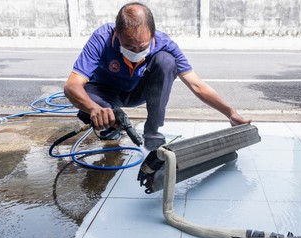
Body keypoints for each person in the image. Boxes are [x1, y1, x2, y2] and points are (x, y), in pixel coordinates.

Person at [64, 2, 251, 150]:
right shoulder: (102, 38)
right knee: (87, 99)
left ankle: (152, 130)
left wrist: (232, 114)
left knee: (166, 62)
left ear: (153, 35)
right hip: (103, 94)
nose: (136, 51)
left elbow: (197, 85)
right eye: (129, 46)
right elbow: (71, 86)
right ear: (116, 33)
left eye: (143, 46)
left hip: (136, 92)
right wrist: (94, 108)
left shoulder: (164, 43)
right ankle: (109, 123)